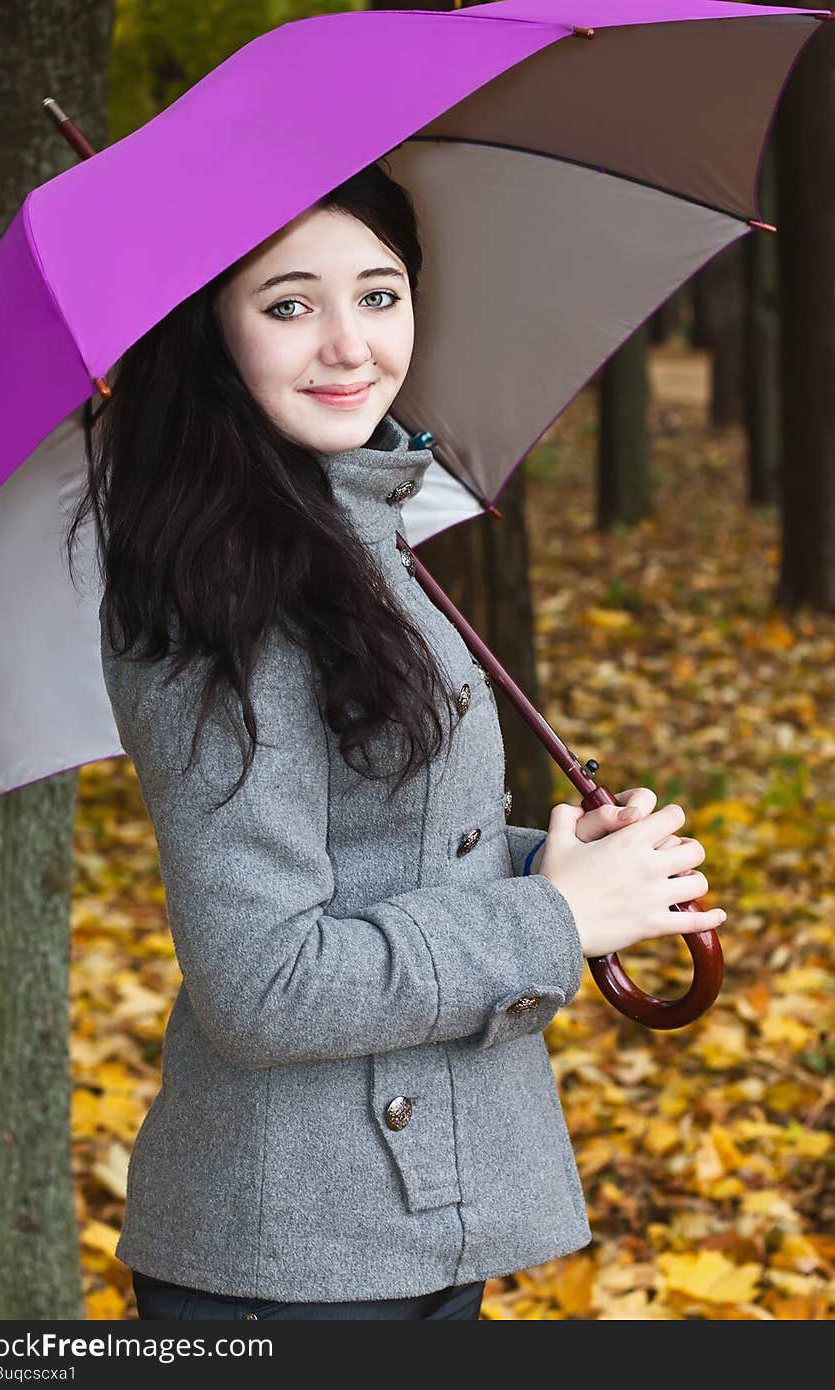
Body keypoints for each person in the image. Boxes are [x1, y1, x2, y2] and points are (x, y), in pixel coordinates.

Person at [71, 160, 726, 1321]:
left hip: (413, 1225)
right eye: (288, 304)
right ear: (210, 332)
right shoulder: (209, 600)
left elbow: (378, 839)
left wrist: (558, 858)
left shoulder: (356, 532)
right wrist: (556, 919)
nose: (348, 346)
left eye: (379, 295)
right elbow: (264, 983)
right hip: (286, 1268)